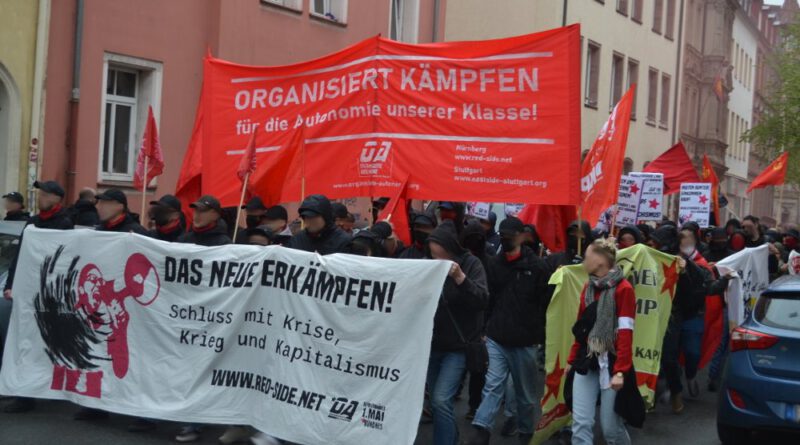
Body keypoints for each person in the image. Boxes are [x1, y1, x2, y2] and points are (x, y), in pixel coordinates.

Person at [467, 217, 550, 445]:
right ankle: (481, 430)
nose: (505, 239)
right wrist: (485, 328)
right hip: (497, 338)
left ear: (521, 236)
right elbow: (489, 298)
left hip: (524, 343)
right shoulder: (495, 265)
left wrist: (540, 335)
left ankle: (525, 432)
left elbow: (546, 304)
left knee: (524, 397)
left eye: (509, 235)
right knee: (492, 386)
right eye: (502, 235)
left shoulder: (537, 268)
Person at [3, 180, 74, 414]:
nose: (40, 197)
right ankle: (24, 394)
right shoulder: (32, 222)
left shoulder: (65, 223)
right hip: (28, 291)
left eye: (45, 194)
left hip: (51, 294)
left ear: (56, 198)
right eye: (40, 193)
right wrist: (10, 284)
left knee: (50, 344)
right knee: (26, 343)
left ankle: (51, 388)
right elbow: (20, 255)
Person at [566, 239, 637, 445]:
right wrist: (572, 359)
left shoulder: (624, 290)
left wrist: (621, 371)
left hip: (612, 363)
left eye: (587, 257)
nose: (583, 261)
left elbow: (625, 333)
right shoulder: (588, 287)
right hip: (587, 360)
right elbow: (582, 329)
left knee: (611, 430)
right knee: (580, 424)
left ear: (599, 261)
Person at [174, 195, 231, 443]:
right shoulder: (185, 239)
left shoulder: (224, 244)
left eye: (202, 211)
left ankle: (194, 421)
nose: (196, 215)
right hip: (184, 312)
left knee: (203, 367)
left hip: (210, 316)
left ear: (216, 214)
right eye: (195, 210)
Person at [426, 221, 489, 445]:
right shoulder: (430, 264)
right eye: (433, 253)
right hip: (433, 344)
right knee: (436, 401)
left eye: (440, 253)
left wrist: (460, 278)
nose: (436, 258)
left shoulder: (472, 264)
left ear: (450, 248)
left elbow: (481, 299)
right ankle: (451, 439)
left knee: (442, 400)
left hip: (459, 347)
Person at [648, 225, 709, 414]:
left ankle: (676, 391)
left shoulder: (683, 262)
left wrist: (685, 270)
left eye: (657, 241)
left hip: (673, 314)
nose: (653, 244)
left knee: (668, 357)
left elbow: (700, 284)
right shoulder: (647, 256)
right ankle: (644, 394)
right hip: (648, 311)